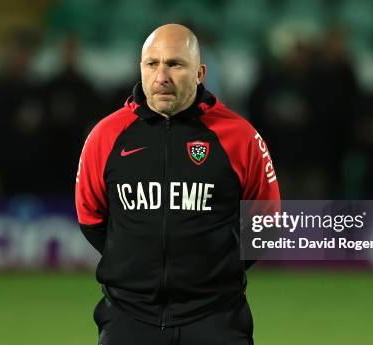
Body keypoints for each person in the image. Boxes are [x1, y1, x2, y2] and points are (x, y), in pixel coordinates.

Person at [75, 24, 280, 345]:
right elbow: (91, 218)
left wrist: (216, 271)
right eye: (151, 64)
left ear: (200, 73)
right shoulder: (106, 136)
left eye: (174, 64)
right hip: (129, 316)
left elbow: (265, 223)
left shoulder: (239, 137)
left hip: (217, 317)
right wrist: (136, 267)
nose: (161, 76)